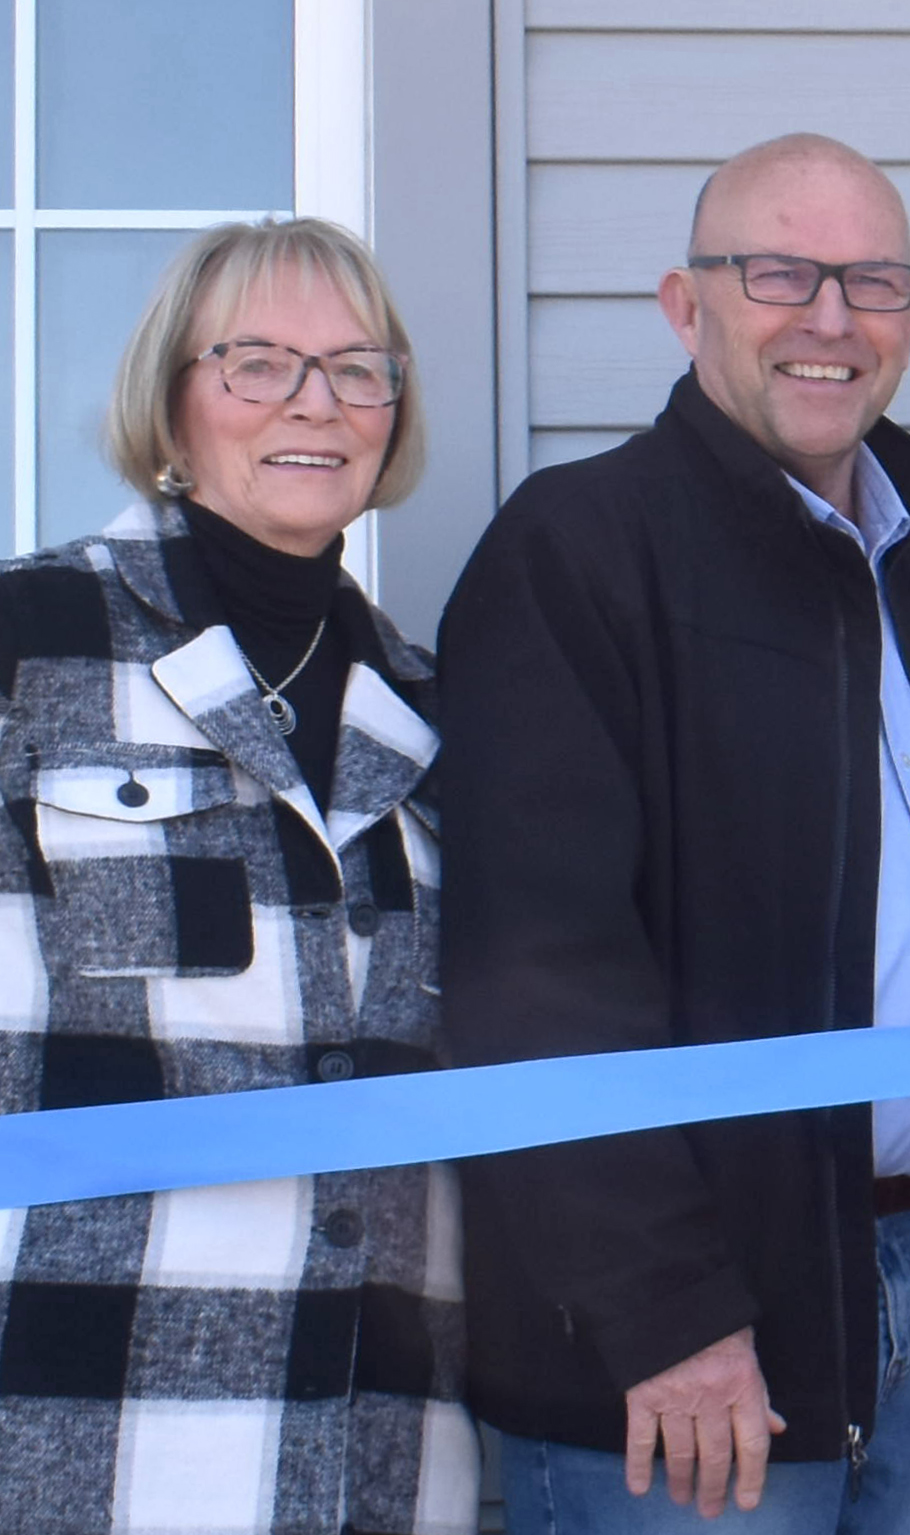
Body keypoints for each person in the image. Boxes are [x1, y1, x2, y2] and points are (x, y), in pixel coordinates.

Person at [437, 133, 910, 1532]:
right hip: (684, 1332)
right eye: (781, 271)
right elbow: (533, 969)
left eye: (876, 280)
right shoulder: (580, 549)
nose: (832, 317)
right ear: (686, 303)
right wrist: (662, 1307)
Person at [0, 217, 467, 1534]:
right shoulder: (28, 642)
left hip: (370, 1436)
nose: (315, 402)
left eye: (357, 367)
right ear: (173, 398)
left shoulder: (435, 706)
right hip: (80, 1418)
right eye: (258, 361)